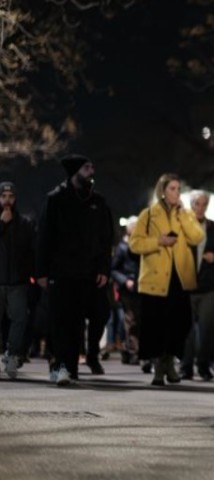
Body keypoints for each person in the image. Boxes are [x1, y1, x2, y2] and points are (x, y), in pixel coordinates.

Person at [35, 154, 114, 385]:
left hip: (86, 272)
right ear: (75, 171)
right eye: (87, 167)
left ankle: (70, 367)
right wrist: (41, 271)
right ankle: (59, 365)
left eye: (92, 166)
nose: (92, 171)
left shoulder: (98, 202)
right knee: (60, 320)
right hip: (60, 271)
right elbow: (44, 237)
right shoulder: (56, 199)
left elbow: (105, 238)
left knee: (78, 321)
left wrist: (103, 269)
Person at [129, 173, 204, 386]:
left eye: (179, 189)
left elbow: (197, 237)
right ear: (163, 190)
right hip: (155, 279)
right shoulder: (149, 214)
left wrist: (184, 216)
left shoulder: (185, 213)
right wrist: (158, 241)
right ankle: (160, 368)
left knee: (179, 324)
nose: (177, 193)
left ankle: (169, 362)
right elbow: (135, 244)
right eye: (172, 188)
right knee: (156, 325)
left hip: (179, 279)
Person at [180, 190, 214, 381]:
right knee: (186, 330)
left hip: (207, 287)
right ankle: (185, 366)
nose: (200, 208)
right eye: (197, 204)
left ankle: (203, 366)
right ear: (191, 205)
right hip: (187, 285)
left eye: (203, 204)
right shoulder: (184, 226)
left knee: (207, 329)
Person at [0, 181, 35, 379]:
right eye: (3, 196)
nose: (7, 201)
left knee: (19, 320)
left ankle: (12, 355)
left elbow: (30, 251)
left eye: (11, 197)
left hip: (17, 281)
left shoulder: (25, 223)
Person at [110, 216, 141, 365]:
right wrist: (125, 281)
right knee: (131, 320)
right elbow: (113, 269)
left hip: (141, 286)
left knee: (136, 320)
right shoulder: (122, 247)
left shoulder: (141, 246)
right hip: (127, 289)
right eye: (133, 226)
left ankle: (128, 349)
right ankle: (132, 351)